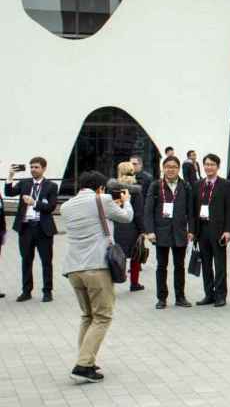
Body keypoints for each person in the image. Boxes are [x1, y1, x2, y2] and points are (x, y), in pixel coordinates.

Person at [62, 171, 134, 383]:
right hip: (96, 267)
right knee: (102, 316)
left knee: (88, 316)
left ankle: (86, 359)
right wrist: (127, 202)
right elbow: (126, 217)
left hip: (74, 268)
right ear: (100, 188)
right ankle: (83, 366)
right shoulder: (102, 200)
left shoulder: (66, 206)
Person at [6, 157, 59, 302]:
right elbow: (9, 193)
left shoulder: (51, 186)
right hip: (26, 227)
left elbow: (51, 207)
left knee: (46, 261)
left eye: (36, 167)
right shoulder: (24, 183)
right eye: (32, 167)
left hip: (43, 228)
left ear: (43, 168)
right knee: (26, 260)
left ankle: (47, 291)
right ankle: (26, 291)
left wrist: (34, 202)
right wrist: (10, 176)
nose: (33, 170)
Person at [143, 156, 194, 309]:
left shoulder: (185, 186)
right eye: (167, 167)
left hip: (180, 232)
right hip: (161, 232)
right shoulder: (156, 186)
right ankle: (162, 298)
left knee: (180, 266)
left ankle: (180, 297)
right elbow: (148, 211)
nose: (170, 169)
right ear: (162, 168)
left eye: (174, 167)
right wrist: (150, 231)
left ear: (178, 169)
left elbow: (191, 211)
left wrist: (191, 230)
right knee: (161, 266)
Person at [193, 154, 230, 308]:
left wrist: (228, 230)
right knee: (205, 263)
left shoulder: (226, 185)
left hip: (218, 230)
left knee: (220, 263)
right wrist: (192, 230)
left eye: (212, 164)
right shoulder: (198, 185)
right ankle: (209, 294)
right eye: (206, 164)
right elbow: (193, 209)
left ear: (218, 167)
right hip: (202, 229)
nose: (209, 167)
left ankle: (221, 295)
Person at [109, 162, 145, 292]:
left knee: (115, 255)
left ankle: (112, 282)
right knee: (135, 256)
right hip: (132, 227)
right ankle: (134, 283)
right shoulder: (135, 190)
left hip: (115, 226)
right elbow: (139, 213)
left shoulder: (112, 189)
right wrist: (143, 230)